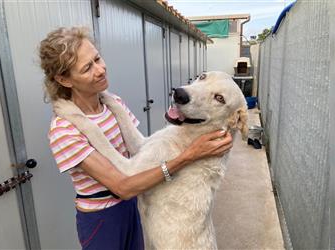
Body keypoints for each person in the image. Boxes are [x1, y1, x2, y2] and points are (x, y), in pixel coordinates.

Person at [39, 26, 233, 250]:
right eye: (87, 68)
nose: (100, 70)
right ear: (64, 80)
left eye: (97, 58)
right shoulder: (64, 129)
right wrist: (188, 156)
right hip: (102, 219)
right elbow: (123, 186)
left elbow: (141, 152)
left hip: (132, 207)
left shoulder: (114, 103)